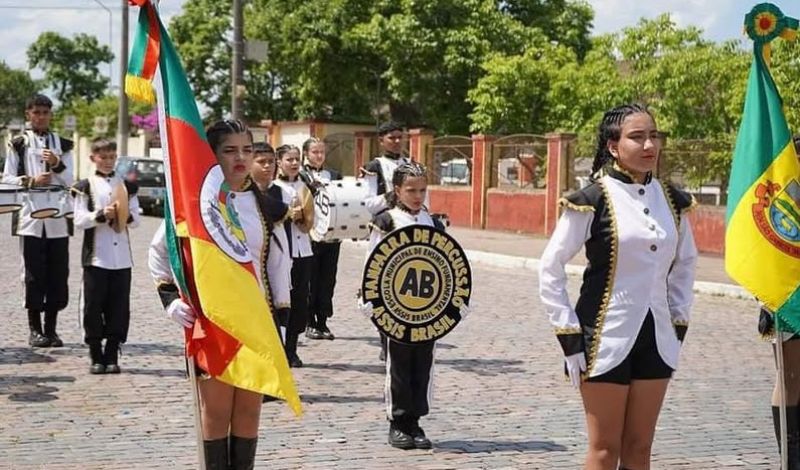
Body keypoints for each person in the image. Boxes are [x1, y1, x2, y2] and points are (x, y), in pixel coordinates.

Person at [538, 103, 698, 470]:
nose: (649, 145)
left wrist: (677, 321)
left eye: (653, 136)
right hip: (602, 338)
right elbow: (550, 266)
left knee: (640, 448)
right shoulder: (592, 199)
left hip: (657, 337)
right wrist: (569, 333)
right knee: (605, 449)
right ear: (613, 146)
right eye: (637, 137)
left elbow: (686, 264)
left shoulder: (673, 200)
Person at [149, 120, 279, 469]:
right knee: (217, 412)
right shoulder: (194, 202)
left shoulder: (263, 204)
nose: (240, 158)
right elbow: (160, 252)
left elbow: (277, 265)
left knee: (250, 411)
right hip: (213, 321)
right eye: (230, 150)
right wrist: (170, 300)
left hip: (257, 322)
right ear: (212, 154)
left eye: (247, 150)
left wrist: (280, 319)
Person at [358, 162, 447, 450]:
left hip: (427, 308)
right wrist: (368, 299)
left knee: (423, 364)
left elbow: (445, 262)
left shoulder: (433, 222)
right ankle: (397, 422)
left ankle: (415, 421)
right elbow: (372, 261)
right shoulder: (387, 221)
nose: (417, 196)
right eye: (411, 190)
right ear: (397, 190)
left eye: (422, 190)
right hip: (394, 307)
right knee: (398, 364)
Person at [3, 94, 73, 348]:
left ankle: (51, 329)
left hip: (57, 217)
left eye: (45, 112)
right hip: (30, 216)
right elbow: (7, 178)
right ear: (28, 114)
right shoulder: (18, 144)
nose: (41, 117)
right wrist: (30, 180)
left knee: (57, 273)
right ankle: (35, 329)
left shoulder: (63, 144)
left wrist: (56, 164)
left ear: (50, 114)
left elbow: (70, 179)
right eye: (36, 112)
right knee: (33, 273)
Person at [73, 139, 140, 374]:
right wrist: (101, 214)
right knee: (93, 306)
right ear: (93, 158)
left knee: (119, 307)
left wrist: (123, 214)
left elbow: (136, 220)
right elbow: (79, 219)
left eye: (112, 157)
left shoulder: (127, 186)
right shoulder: (85, 186)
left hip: (121, 258)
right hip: (96, 257)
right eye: (103, 157)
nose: (108, 161)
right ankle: (95, 353)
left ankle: (112, 353)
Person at [274, 144, 314, 368]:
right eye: (289, 159)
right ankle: (278, 348)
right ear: (279, 162)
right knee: (282, 300)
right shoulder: (274, 188)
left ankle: (292, 349)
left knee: (300, 300)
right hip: (283, 251)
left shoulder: (304, 187)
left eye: (297, 159)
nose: (294, 163)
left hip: (303, 250)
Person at [250, 141, 293, 344]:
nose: (267, 166)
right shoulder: (242, 195)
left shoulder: (283, 192)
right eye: (261, 162)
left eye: (271, 162)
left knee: (280, 301)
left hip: (277, 256)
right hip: (253, 260)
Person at [302, 137, 342, 341]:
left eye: (322, 152)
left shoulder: (334, 175)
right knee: (311, 279)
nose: (319, 156)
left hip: (331, 235)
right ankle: (309, 321)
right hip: (309, 235)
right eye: (315, 152)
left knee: (328, 280)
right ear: (306, 154)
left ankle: (323, 321)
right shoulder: (300, 175)